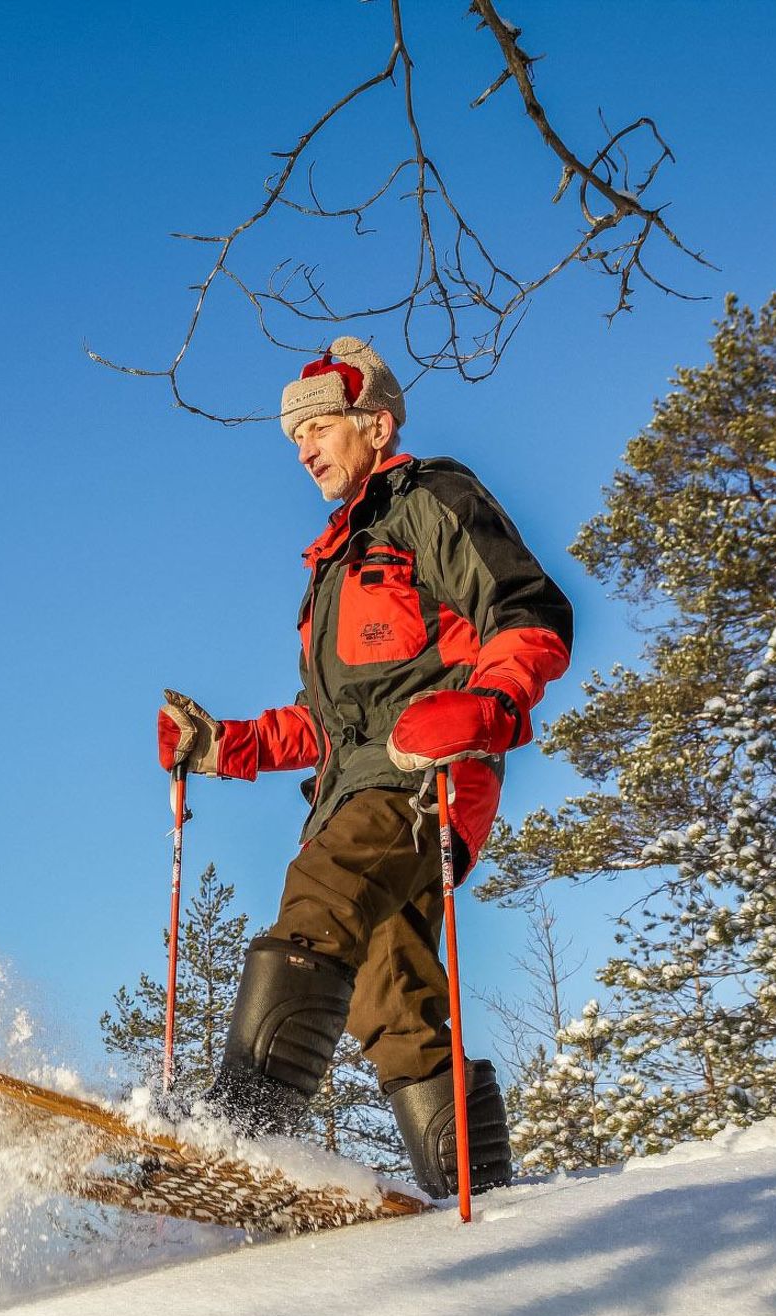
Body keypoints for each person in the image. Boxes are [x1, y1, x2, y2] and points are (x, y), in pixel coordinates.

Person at [157, 337, 572, 1198]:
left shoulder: (431, 500)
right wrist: (221, 744)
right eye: (295, 436)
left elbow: (528, 611)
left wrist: (491, 705)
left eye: (318, 427)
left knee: (324, 894)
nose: (302, 448)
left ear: (375, 426)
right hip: (357, 784)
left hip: (424, 776)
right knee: (390, 989)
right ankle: (478, 1193)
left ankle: (241, 1133)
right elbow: (328, 722)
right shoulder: (335, 566)